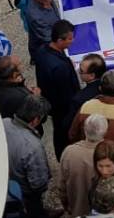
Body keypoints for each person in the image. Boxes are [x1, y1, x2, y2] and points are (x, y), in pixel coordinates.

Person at [35, 19, 80, 158]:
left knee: (58, 131)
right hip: (64, 108)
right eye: (70, 39)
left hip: (52, 103)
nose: (72, 41)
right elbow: (67, 94)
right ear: (60, 40)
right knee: (65, 133)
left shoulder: (42, 51)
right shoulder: (60, 67)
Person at [4, 95, 52, 217]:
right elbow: (38, 183)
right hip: (26, 195)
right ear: (36, 120)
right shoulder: (32, 146)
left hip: (6, 185)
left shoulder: (4, 123)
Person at [60, 114, 108, 218]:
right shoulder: (112, 155)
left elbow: (62, 185)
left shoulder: (69, 152)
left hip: (76, 210)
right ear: (105, 131)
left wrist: (65, 205)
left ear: (85, 130)